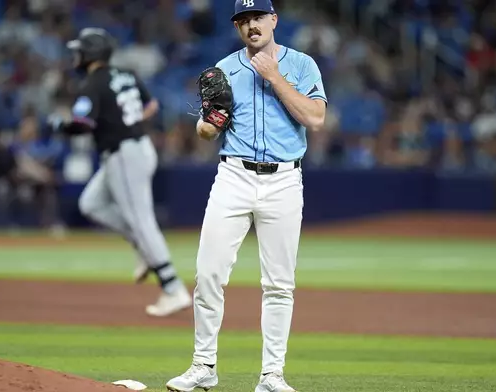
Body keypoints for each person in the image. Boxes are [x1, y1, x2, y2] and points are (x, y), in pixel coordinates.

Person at [166, 0, 327, 391]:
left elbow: (316, 118)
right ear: (237, 26)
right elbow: (208, 131)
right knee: (208, 274)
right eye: (243, 19)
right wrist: (208, 124)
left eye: (257, 17)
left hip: (284, 181)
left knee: (279, 284)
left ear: (273, 19)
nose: (251, 25)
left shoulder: (302, 65)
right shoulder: (224, 69)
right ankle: (204, 366)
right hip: (234, 177)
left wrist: (275, 77)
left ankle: (272, 375)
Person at [50, 28, 192, 317]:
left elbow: (81, 124)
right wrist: (128, 121)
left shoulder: (93, 83)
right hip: (137, 148)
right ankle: (143, 249)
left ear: (90, 53)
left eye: (79, 50)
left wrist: (59, 126)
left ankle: (172, 287)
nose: (75, 55)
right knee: (91, 204)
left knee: (142, 221)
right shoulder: (125, 74)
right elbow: (151, 106)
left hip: (124, 154)